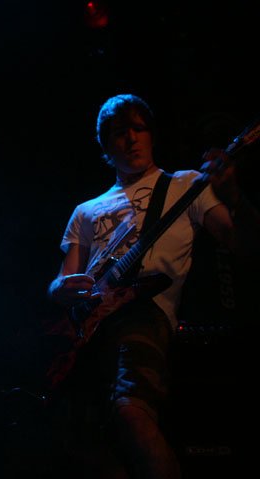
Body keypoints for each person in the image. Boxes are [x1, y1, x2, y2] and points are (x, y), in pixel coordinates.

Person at [46, 93, 259, 478]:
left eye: (139, 128)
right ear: (105, 146)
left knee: (131, 411)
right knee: (90, 448)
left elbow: (243, 244)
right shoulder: (85, 210)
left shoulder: (186, 184)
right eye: (119, 132)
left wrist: (234, 196)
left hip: (144, 313)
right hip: (88, 331)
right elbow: (62, 280)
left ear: (151, 135)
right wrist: (60, 289)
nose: (131, 138)